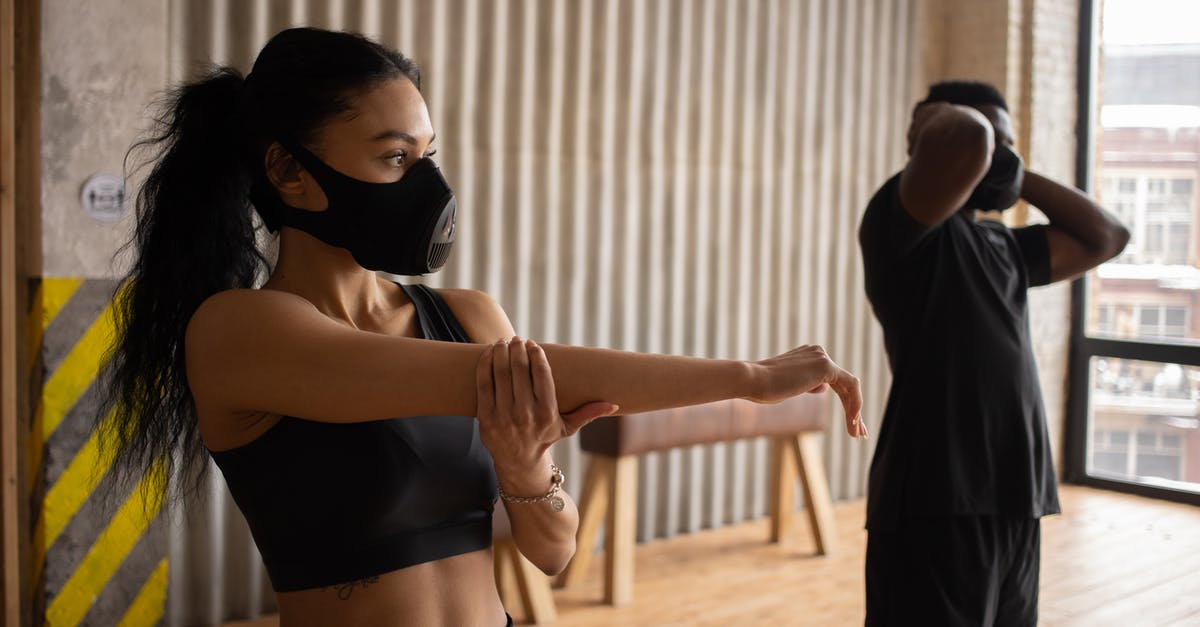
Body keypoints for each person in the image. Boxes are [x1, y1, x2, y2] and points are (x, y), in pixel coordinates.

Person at [99, 27, 866, 627]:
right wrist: (750, 378)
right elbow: (507, 379)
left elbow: (554, 552)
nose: (427, 186)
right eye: (394, 159)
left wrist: (527, 469)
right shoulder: (241, 331)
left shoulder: (464, 316)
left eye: (427, 155)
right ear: (289, 171)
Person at [858, 80, 1130, 625]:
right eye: (988, 146)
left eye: (1008, 147)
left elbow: (1107, 236)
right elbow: (966, 139)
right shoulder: (901, 224)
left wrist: (1016, 173)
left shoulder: (1002, 245)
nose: (995, 157)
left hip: (1016, 493)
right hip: (935, 495)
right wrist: (955, 125)